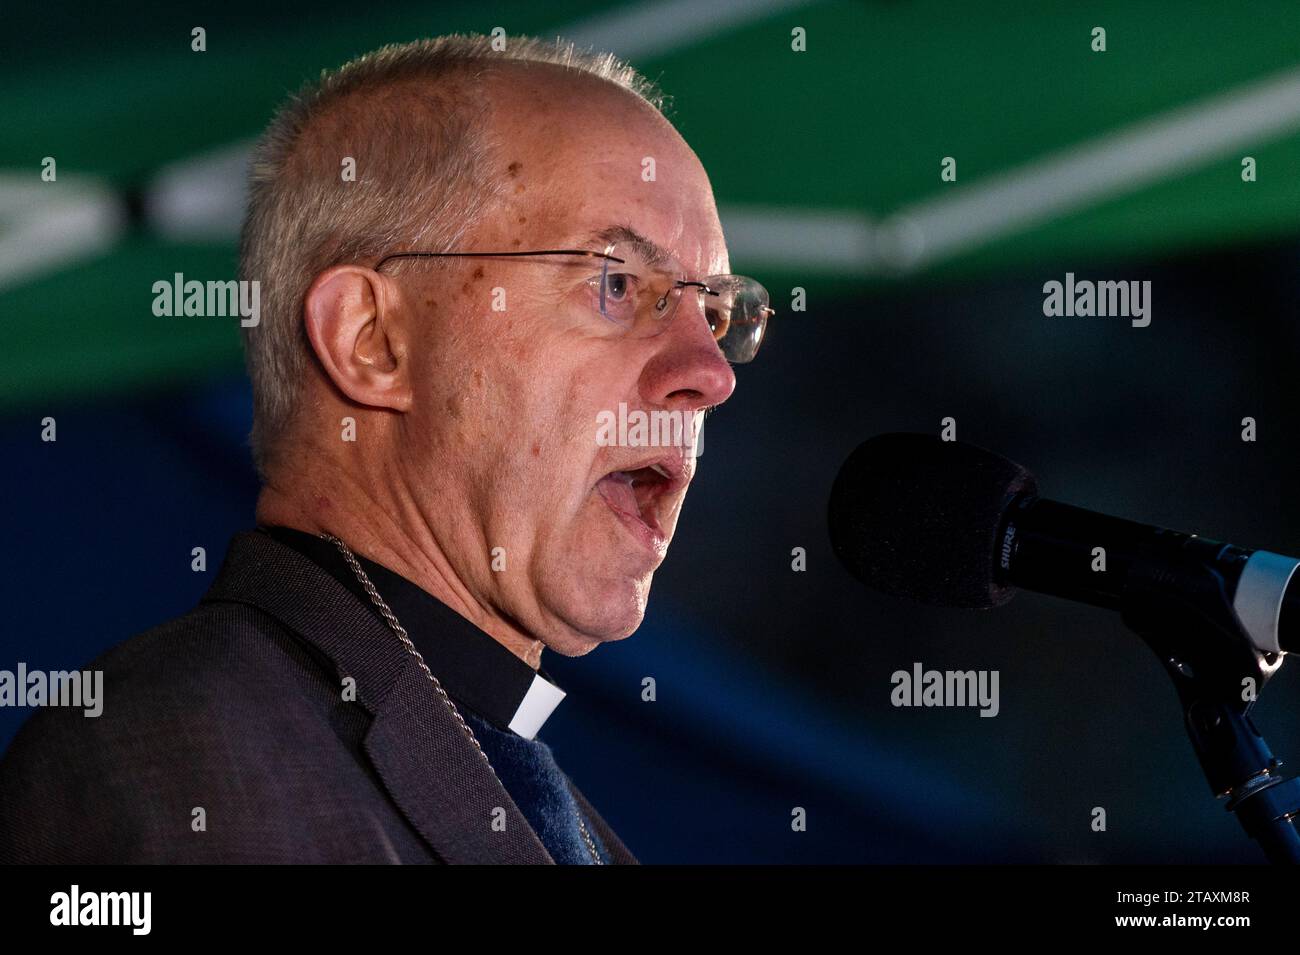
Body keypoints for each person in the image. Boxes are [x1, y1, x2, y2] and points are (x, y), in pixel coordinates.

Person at [0, 33, 773, 864]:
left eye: (718, 315)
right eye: (616, 284)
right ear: (372, 339)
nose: (709, 375)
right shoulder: (175, 755)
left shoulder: (525, 782)